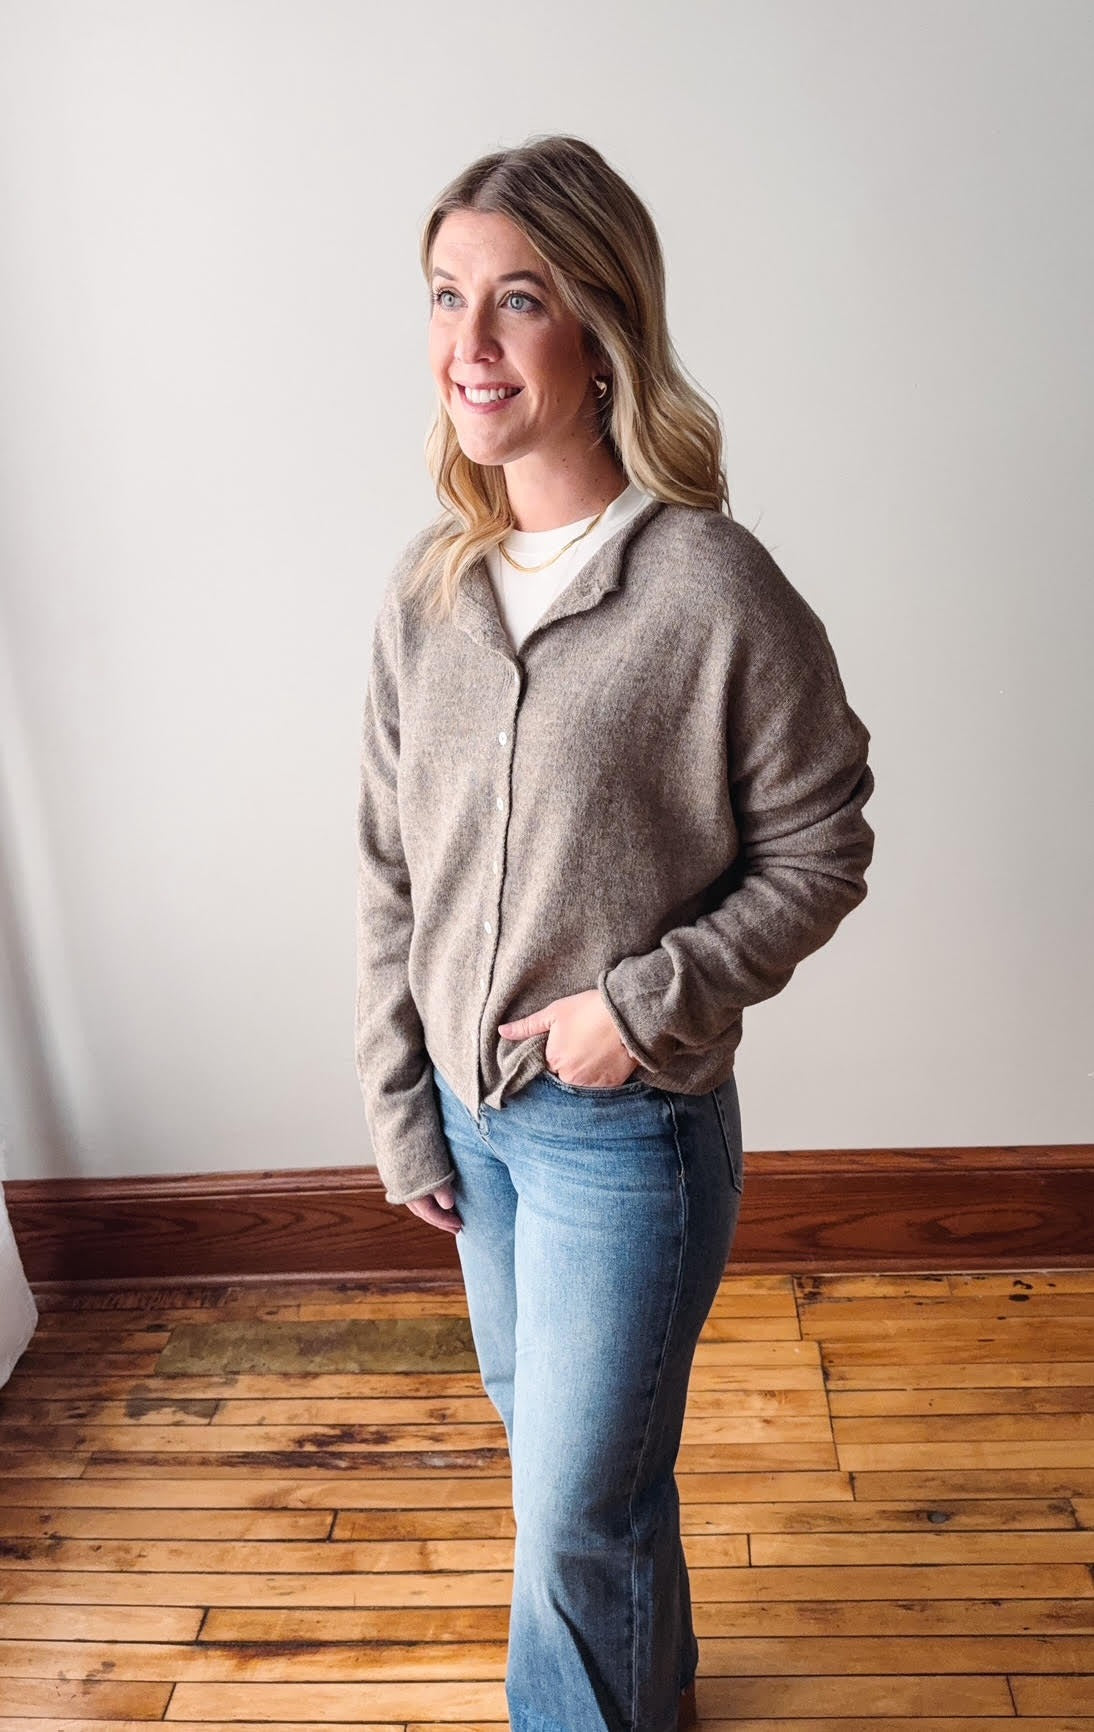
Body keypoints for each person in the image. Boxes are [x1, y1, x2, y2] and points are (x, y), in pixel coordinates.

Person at [355, 133, 876, 1732]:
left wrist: (638, 1005)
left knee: (569, 1503)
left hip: (620, 1133)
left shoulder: (709, 588)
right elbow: (391, 866)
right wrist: (402, 1104)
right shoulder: (429, 589)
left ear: (599, 332)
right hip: (473, 1122)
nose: (471, 344)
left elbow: (821, 840)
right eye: (448, 298)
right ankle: (649, 1695)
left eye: (519, 301)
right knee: (577, 1465)